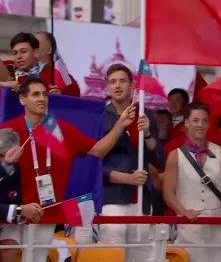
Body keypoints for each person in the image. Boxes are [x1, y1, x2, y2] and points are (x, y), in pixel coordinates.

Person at [0, 76, 136, 262]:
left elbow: (98, 150)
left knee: (36, 259)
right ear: (23, 99)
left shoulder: (59, 129)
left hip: (45, 212)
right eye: (35, 94)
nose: (41, 99)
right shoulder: (9, 130)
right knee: (8, 252)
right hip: (16, 210)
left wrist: (120, 125)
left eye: (45, 94)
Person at [163, 102, 221, 262]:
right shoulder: (175, 156)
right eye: (196, 120)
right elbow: (167, 192)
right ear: (186, 123)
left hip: (218, 225)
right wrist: (183, 211)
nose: (201, 125)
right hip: (191, 227)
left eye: (205, 120)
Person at [99, 64, 166, 262]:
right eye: (112, 82)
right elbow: (94, 163)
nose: (117, 86)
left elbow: (159, 159)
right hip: (112, 199)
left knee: (142, 256)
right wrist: (126, 178)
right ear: (107, 87)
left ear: (132, 85)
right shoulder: (100, 116)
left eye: (122, 81)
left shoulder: (145, 114)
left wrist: (147, 134)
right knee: (113, 255)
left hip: (142, 199)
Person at [0, 129, 43, 262]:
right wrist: (22, 210)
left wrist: (26, 213)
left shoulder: (15, 168)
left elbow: (13, 201)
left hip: (5, 222)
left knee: (11, 246)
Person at [35, 31, 80, 97]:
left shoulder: (61, 76)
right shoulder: (21, 72)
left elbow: (75, 102)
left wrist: (60, 98)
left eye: (36, 44)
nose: (32, 47)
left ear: (50, 50)